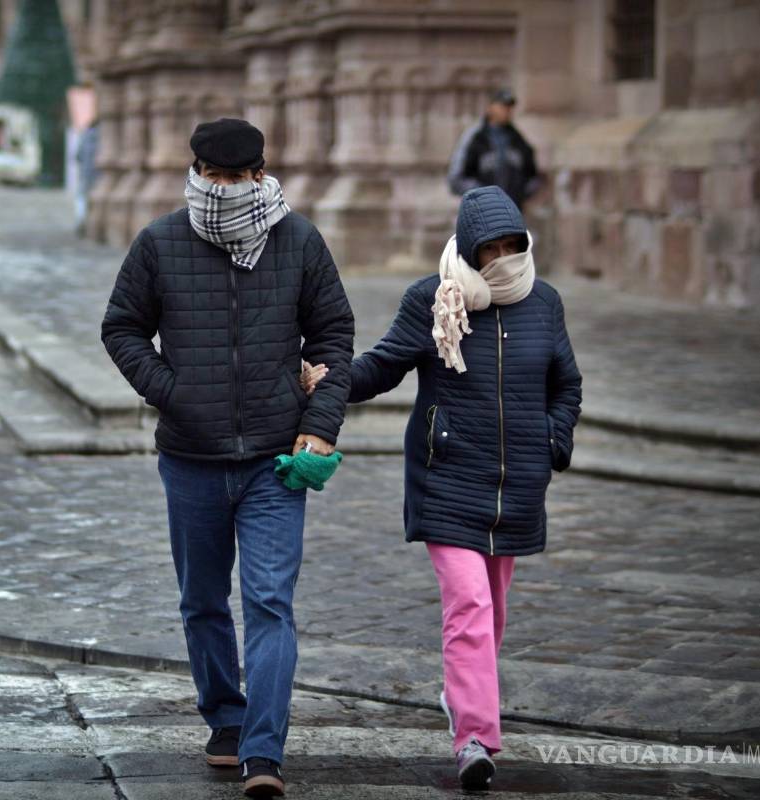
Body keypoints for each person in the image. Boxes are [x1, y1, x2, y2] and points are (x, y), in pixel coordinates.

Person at [101, 118, 355, 798]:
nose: (225, 189)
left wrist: (320, 421)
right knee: (202, 601)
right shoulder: (159, 242)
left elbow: (334, 334)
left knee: (270, 602)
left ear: (259, 174)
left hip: (275, 459)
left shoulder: (299, 241)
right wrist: (172, 392)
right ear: (197, 173)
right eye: (212, 176)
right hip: (190, 457)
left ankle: (263, 751)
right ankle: (225, 717)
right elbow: (121, 326)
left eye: (237, 178)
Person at [302, 185, 582, 791]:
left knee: (492, 612)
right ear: (472, 249)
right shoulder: (434, 300)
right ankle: (475, 738)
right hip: (447, 480)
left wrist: (553, 440)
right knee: (470, 607)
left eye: (514, 245)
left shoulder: (545, 303)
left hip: (517, 487)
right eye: (493, 248)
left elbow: (567, 384)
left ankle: (461, 693)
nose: (505, 257)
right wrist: (330, 382)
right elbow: (384, 365)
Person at [447, 89, 541, 210]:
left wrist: (519, 195)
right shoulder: (474, 137)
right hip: (482, 213)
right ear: (490, 107)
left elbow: (532, 177)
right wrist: (482, 196)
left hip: (512, 212)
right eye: (502, 105)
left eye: (509, 107)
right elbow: (456, 178)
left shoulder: (518, 140)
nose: (507, 110)